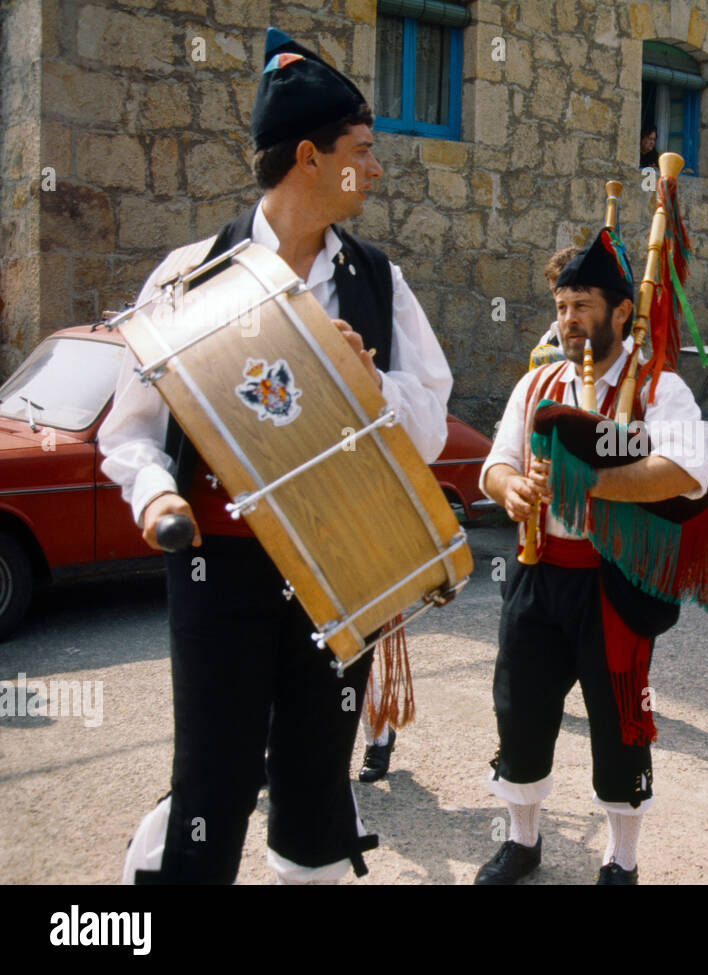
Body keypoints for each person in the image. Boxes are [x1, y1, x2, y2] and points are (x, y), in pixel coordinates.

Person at [103, 28, 452, 884]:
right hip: (217, 570)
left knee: (313, 771)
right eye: (362, 152)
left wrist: (361, 384)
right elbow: (130, 428)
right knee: (213, 777)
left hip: (341, 568)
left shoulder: (378, 281)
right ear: (309, 155)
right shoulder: (189, 277)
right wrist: (155, 497)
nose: (374, 170)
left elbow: (434, 422)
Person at [475, 229, 708, 885]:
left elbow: (688, 471)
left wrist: (593, 483)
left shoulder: (658, 388)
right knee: (519, 710)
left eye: (582, 305)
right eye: (561, 306)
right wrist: (512, 488)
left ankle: (621, 858)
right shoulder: (538, 383)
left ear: (621, 311)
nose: (569, 320)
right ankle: (522, 842)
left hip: (615, 587)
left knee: (619, 722)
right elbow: (493, 465)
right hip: (537, 574)